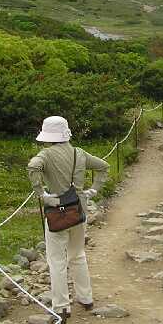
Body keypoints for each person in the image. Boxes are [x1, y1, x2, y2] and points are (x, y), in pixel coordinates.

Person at [27, 115, 109, 313]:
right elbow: (103, 166)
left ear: (48, 135)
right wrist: (94, 189)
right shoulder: (78, 153)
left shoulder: (45, 155)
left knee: (56, 260)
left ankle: (62, 306)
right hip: (79, 210)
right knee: (78, 254)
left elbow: (32, 166)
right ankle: (86, 298)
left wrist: (42, 194)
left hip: (56, 211)